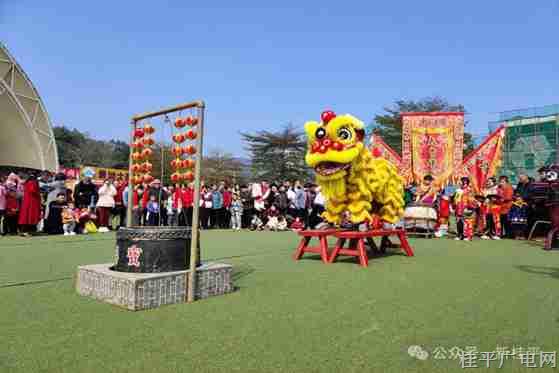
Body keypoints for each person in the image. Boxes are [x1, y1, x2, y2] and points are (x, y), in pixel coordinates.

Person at [453, 177, 477, 241]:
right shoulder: (457, 190)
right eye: (462, 182)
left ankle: (467, 236)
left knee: (467, 223)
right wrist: (454, 206)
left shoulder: (469, 190)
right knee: (459, 222)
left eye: (465, 182)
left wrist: (469, 207)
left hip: (466, 208)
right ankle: (459, 235)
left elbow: (472, 200)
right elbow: (455, 199)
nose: (463, 183)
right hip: (458, 208)